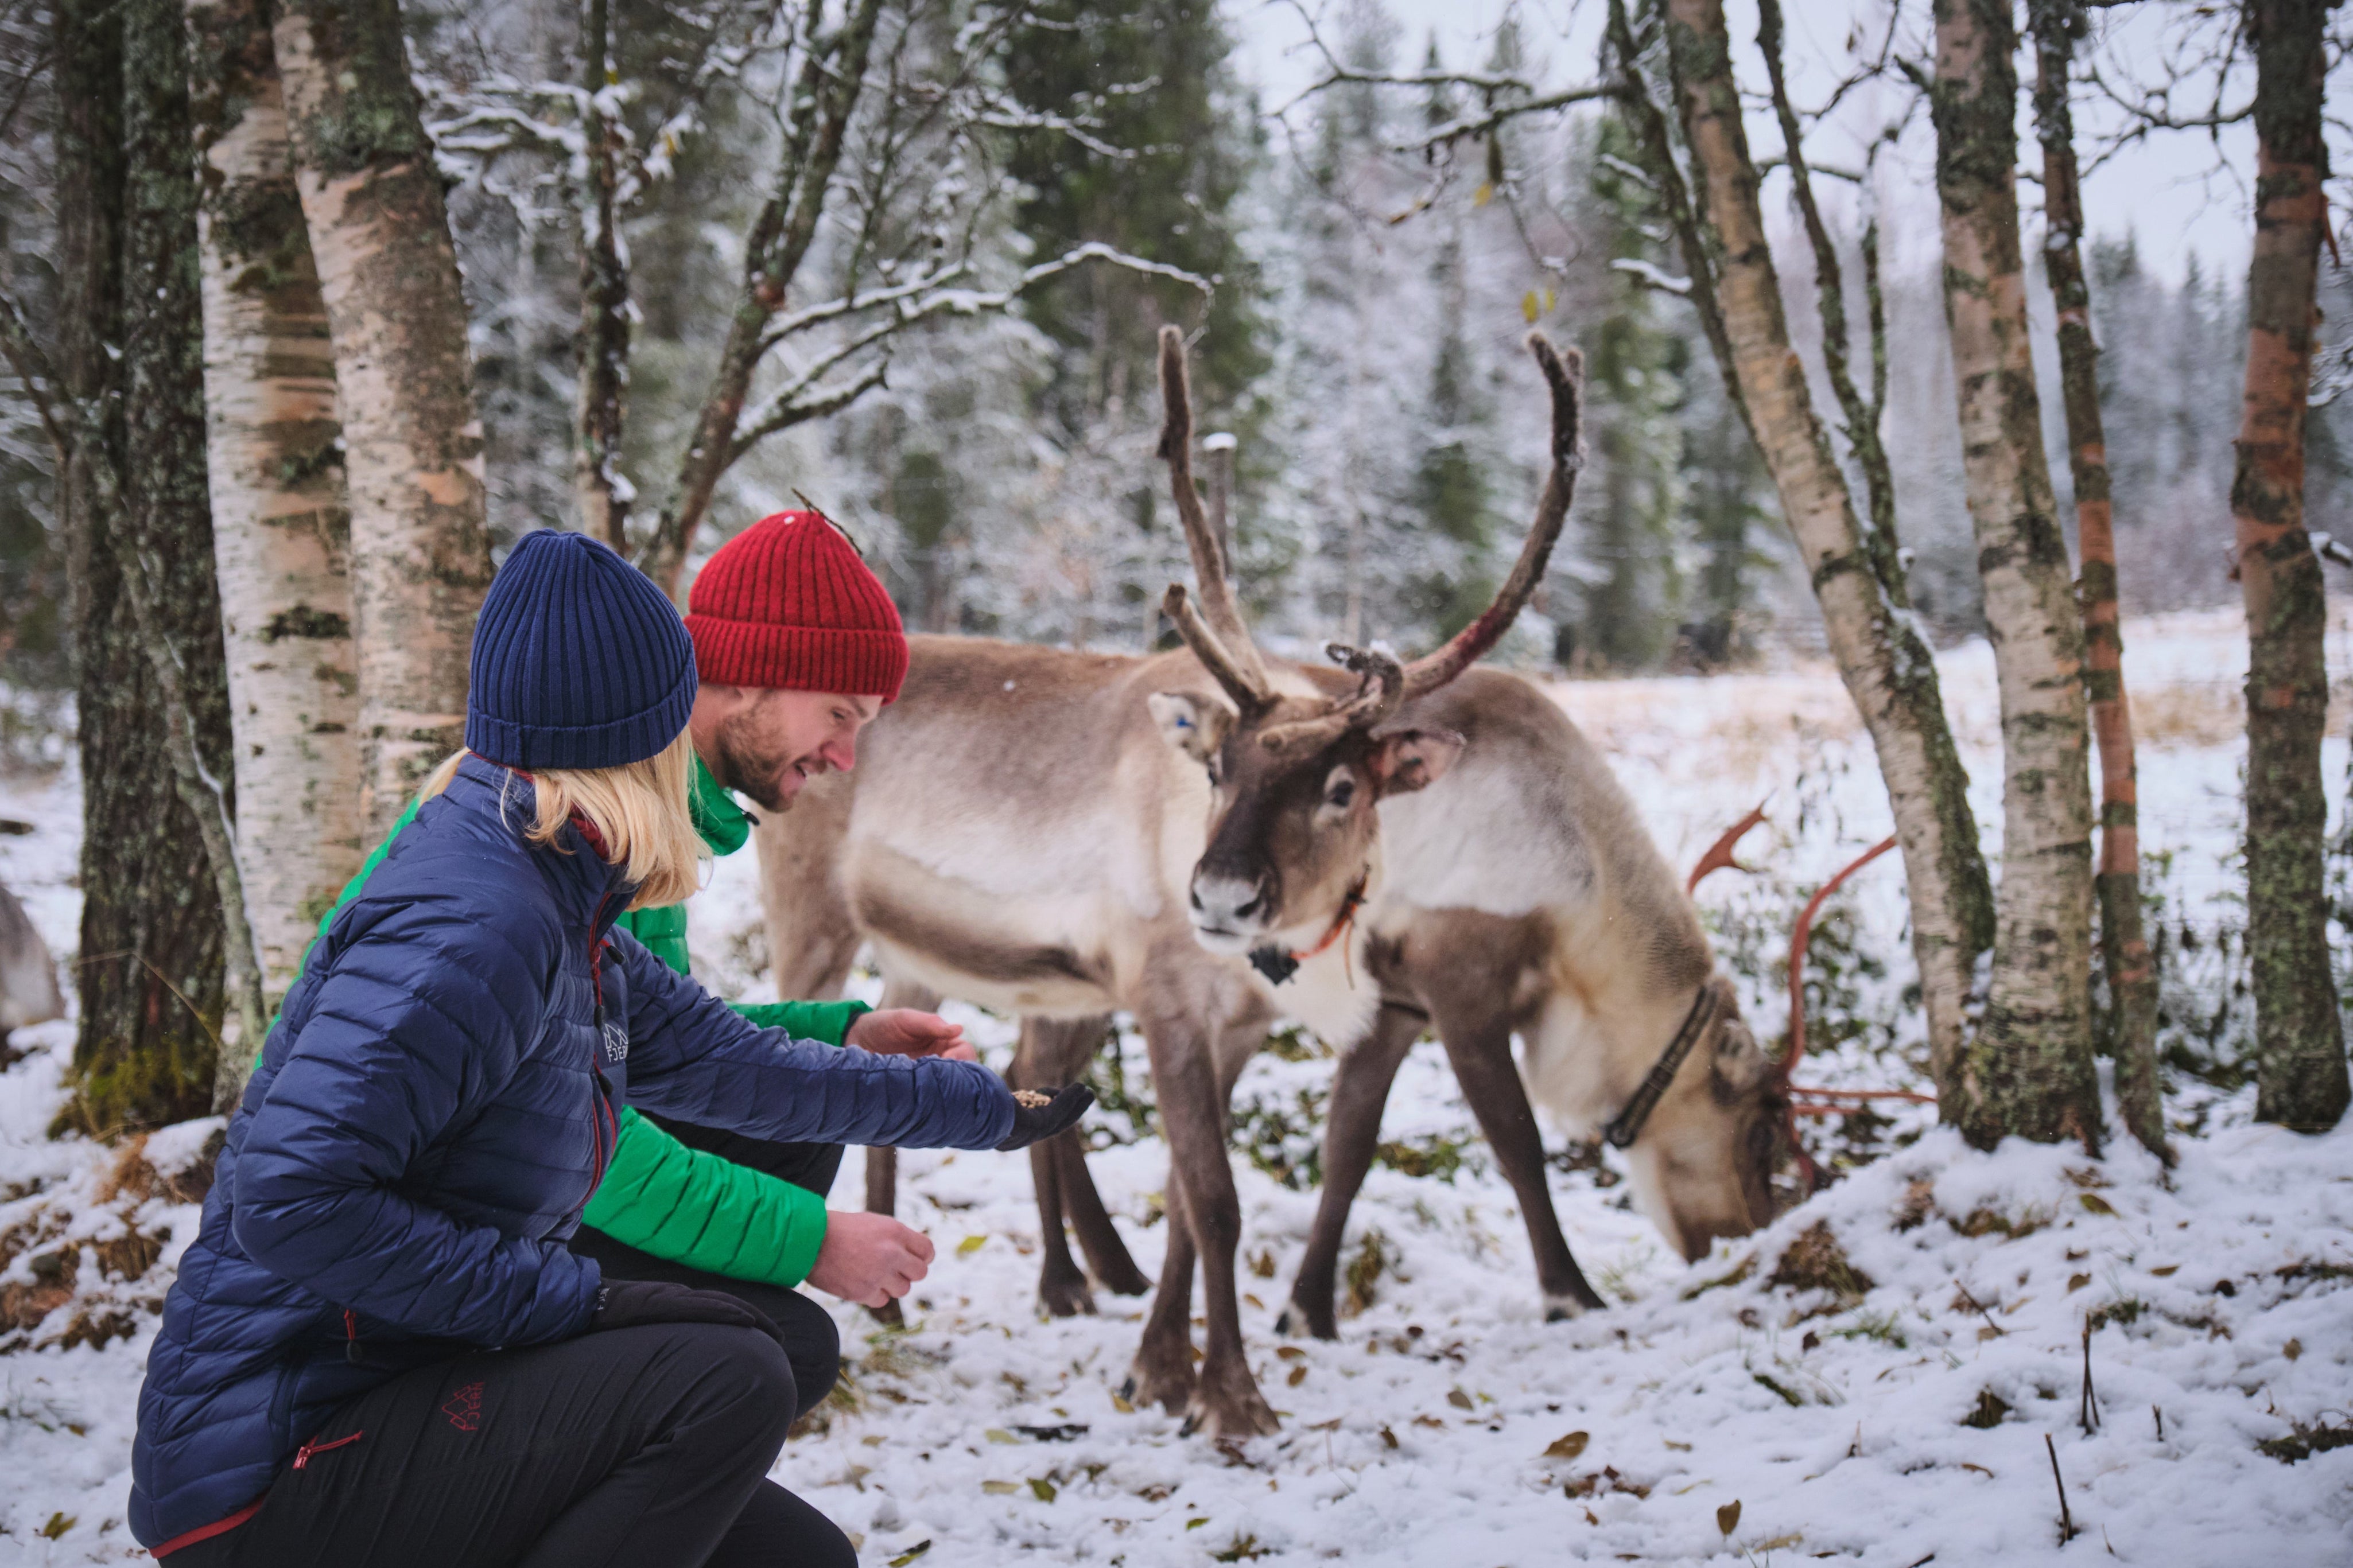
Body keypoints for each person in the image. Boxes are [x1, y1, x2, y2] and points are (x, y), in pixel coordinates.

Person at [130, 530, 1090, 1566]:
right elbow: (289, 1199)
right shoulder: (480, 924)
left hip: (404, 1373)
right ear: (637, 735)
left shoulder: (554, 890)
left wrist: (980, 1111)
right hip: (274, 1464)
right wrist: (571, 1297)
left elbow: (727, 1062)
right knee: (732, 1373)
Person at [323, 511, 952, 1429]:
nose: (845, 758)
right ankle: (541, 1416)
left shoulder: (647, 803)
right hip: (424, 1242)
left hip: (499, 1183)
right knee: (781, 1349)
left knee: (801, 1131)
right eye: (838, 714)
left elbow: (637, 1044)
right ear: (749, 679)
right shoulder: (589, 819)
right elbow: (586, 1123)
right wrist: (809, 1241)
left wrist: (839, 1031)